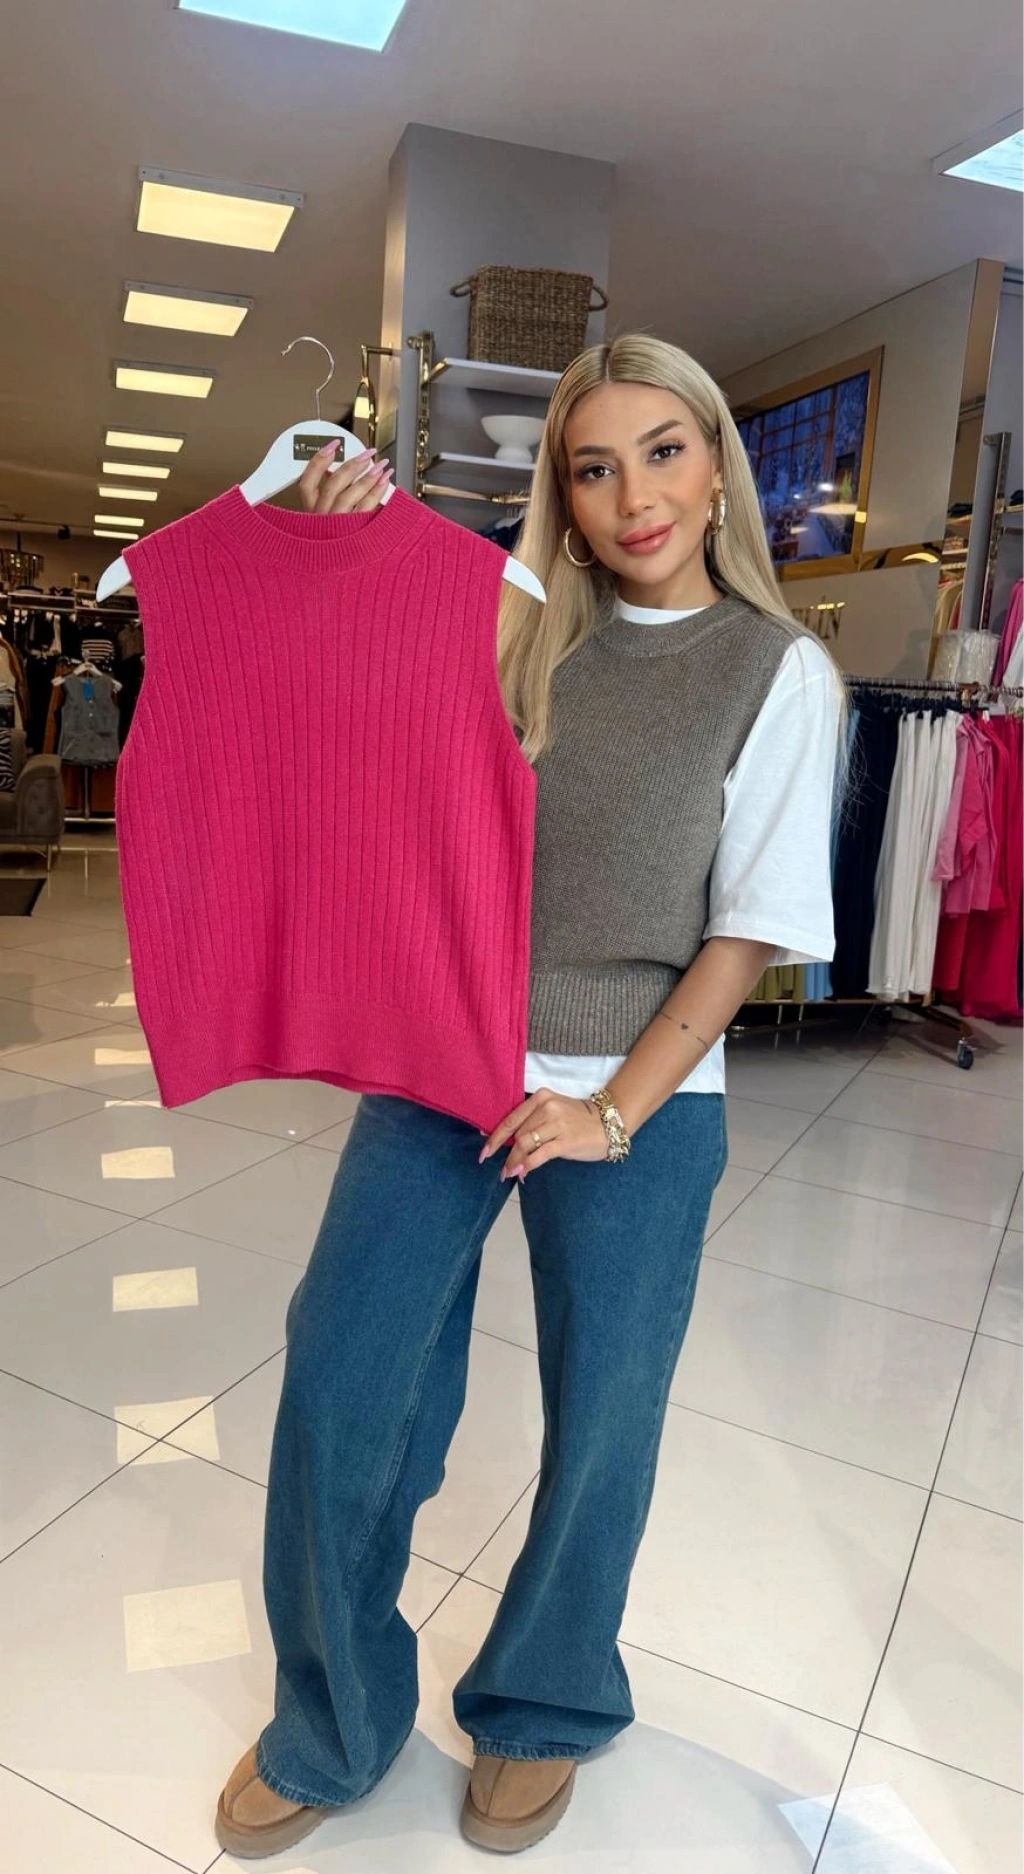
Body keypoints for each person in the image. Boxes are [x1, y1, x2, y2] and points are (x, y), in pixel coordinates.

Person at [215, 333, 844, 1859]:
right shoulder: (517, 624)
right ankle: (334, 1716)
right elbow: (369, 698)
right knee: (344, 1379)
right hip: (449, 1058)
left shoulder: (781, 672)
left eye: (665, 452)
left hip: (644, 1095)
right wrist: (344, 538)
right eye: (594, 466)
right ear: (562, 490)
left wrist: (612, 1108)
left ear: (718, 465)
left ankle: (545, 1702)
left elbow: (747, 931)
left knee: (605, 1414)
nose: (636, 497)